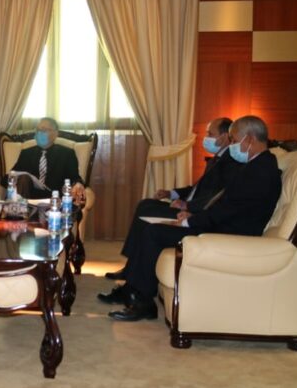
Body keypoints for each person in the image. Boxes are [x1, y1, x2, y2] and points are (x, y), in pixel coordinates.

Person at [100, 115, 282, 321]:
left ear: (249, 139)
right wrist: (191, 217)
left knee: (153, 232)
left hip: (228, 235)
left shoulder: (260, 172)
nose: (232, 145)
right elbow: (225, 207)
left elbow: (227, 211)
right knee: (153, 226)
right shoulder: (258, 165)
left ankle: (142, 302)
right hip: (221, 225)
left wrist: (189, 221)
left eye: (234, 140)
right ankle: (133, 292)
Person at [102, 117, 240, 283]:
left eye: (210, 134)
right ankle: (131, 266)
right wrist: (171, 193)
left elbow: (214, 197)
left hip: (194, 213)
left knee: (147, 210)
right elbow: (196, 188)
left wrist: (187, 205)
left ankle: (132, 270)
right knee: (145, 204)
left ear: (224, 137)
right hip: (189, 206)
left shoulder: (231, 162)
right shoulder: (217, 159)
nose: (206, 138)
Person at [4, 117, 86, 201]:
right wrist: (17, 178)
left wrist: (78, 184)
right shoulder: (26, 153)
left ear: (55, 134)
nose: (39, 133)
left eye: (43, 130)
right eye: (38, 130)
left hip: (54, 199)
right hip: (28, 198)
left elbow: (75, 178)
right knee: (24, 178)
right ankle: (17, 208)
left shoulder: (67, 154)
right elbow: (9, 177)